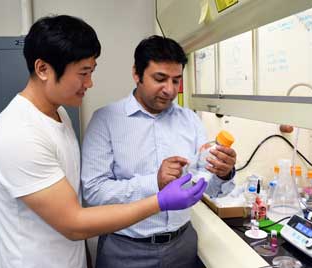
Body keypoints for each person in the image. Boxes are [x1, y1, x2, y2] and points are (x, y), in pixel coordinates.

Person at [0, 16, 207, 268]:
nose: (89, 83)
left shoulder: (58, 116)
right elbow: (74, 223)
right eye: (83, 73)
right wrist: (159, 199)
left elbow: (71, 208)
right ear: (43, 69)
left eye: (91, 72)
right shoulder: (18, 134)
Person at [81, 35, 237, 268]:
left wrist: (223, 173)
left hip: (181, 245)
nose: (169, 90)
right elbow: (93, 192)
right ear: (137, 74)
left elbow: (208, 188)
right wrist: (154, 182)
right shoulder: (106, 120)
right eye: (160, 78)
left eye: (176, 81)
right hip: (125, 250)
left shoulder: (190, 120)